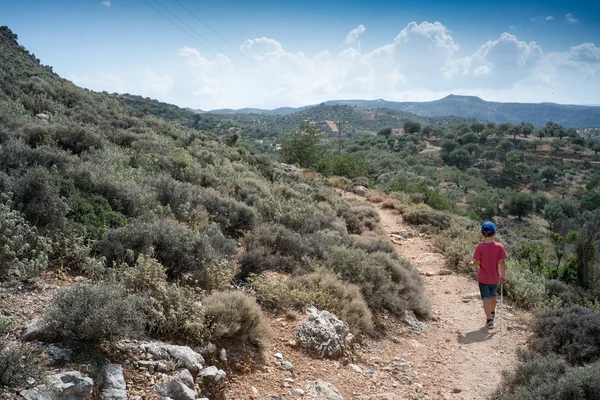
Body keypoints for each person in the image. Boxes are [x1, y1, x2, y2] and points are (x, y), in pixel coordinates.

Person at [471, 221, 507, 329]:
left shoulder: (479, 247)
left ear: (482, 234)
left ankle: (489, 320)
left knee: (485, 298)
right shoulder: (499, 247)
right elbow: (502, 262)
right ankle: (492, 312)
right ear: (495, 233)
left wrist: (471, 264)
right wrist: (503, 276)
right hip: (494, 278)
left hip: (483, 278)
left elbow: (477, 262)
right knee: (493, 298)